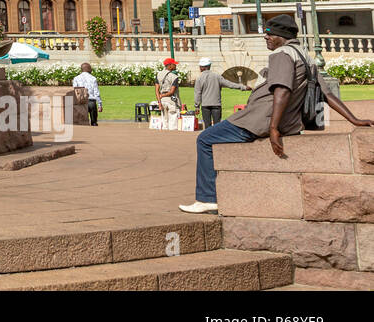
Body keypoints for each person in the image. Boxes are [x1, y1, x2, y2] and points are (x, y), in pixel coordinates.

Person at [179, 14, 374, 214]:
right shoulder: (305, 56)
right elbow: (327, 94)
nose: (266, 38)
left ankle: (207, 198)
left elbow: (282, 90)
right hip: (286, 122)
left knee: (205, 139)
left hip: (259, 120)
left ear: (281, 36)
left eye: (269, 34)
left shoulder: (282, 54)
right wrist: (354, 120)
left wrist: (273, 129)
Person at [192, 57, 248, 126]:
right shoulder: (217, 76)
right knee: (217, 126)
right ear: (209, 66)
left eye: (200, 66)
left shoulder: (199, 78)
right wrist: (243, 87)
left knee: (207, 126)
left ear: (203, 67)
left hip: (205, 105)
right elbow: (229, 84)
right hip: (216, 105)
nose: (199, 68)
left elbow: (197, 93)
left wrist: (197, 106)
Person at [155, 57, 182, 129]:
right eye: (174, 64)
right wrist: (164, 95)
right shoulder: (174, 77)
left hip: (163, 101)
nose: (175, 66)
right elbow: (172, 91)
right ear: (169, 66)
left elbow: (157, 90)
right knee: (173, 125)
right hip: (171, 101)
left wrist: (159, 102)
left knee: (164, 123)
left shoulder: (158, 75)